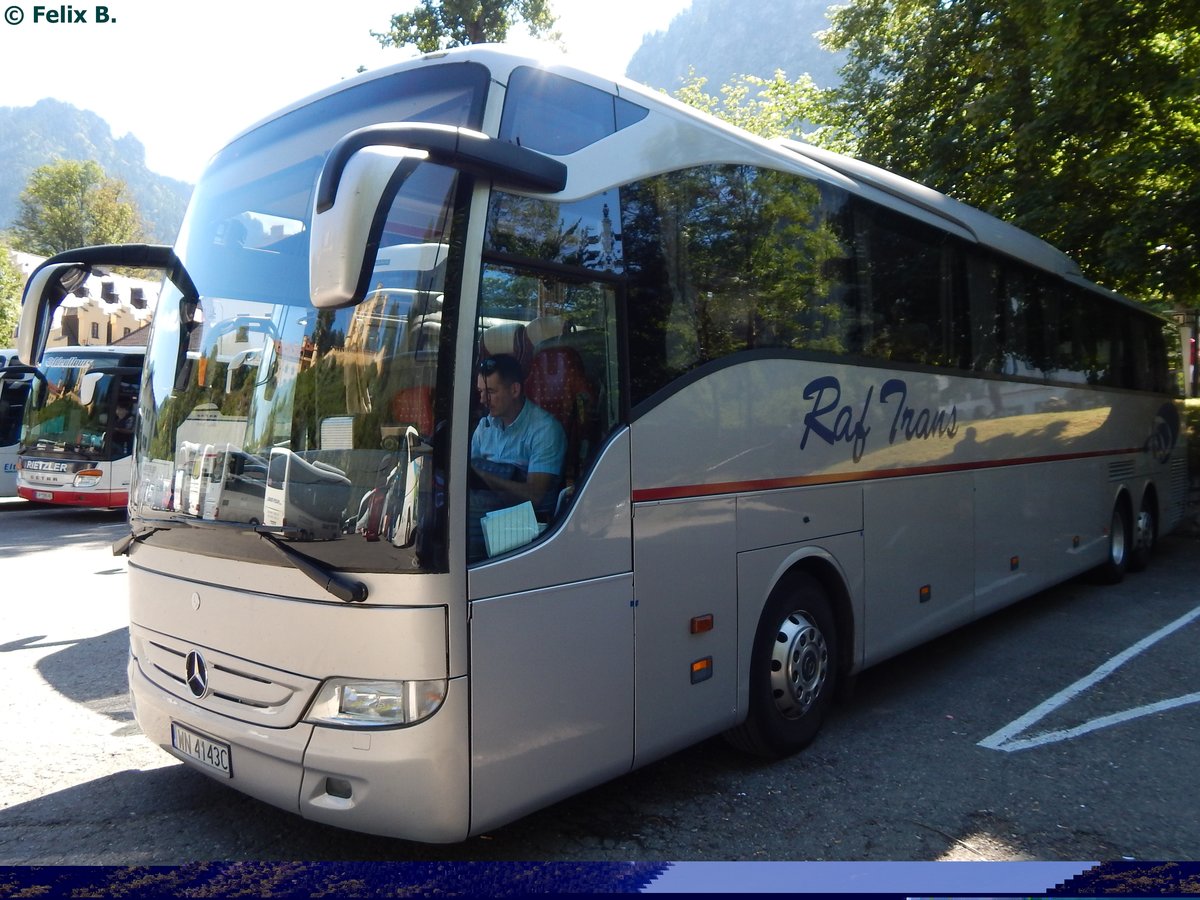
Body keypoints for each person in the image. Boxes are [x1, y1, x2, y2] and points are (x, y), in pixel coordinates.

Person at [468, 354, 566, 559]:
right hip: (482, 518)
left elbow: (535, 496)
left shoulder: (544, 429)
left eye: (491, 392)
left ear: (514, 390)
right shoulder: (484, 428)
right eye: (481, 392)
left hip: (523, 528)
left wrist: (483, 475)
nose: (483, 400)